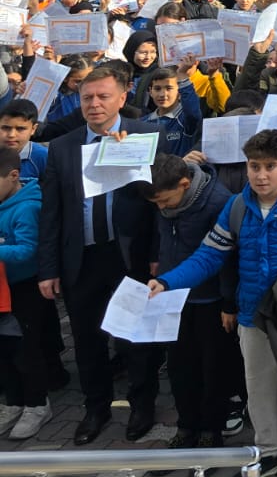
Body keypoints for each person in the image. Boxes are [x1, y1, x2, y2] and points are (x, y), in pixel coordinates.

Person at [154, 127, 277, 477]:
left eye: (269, 166)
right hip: (252, 314)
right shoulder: (236, 206)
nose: (261, 175)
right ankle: (270, 453)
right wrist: (167, 281)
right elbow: (209, 256)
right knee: (258, 389)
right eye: (253, 166)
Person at [36, 64, 163, 445]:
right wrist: (48, 268)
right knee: (87, 339)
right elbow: (52, 213)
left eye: (103, 96)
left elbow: (160, 202)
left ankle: (142, 404)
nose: (94, 104)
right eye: (87, 97)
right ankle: (96, 408)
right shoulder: (62, 147)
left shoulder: (144, 136)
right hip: (82, 258)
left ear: (123, 98)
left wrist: (158, 254)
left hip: (130, 256)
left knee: (135, 338)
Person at [130, 152, 238, 450]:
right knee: (180, 367)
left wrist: (229, 303)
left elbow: (227, 258)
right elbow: (161, 233)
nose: (162, 208)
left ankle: (211, 429)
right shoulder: (163, 196)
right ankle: (186, 425)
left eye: (165, 201)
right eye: (157, 205)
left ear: (185, 183)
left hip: (210, 299)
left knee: (212, 369)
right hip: (171, 296)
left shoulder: (219, 202)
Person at [0, 143, 48, 441]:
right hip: (1, 293)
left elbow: (29, 252)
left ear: (14, 175)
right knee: (4, 351)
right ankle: (13, 402)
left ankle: (37, 405)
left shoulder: (29, 207)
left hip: (24, 290)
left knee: (26, 351)